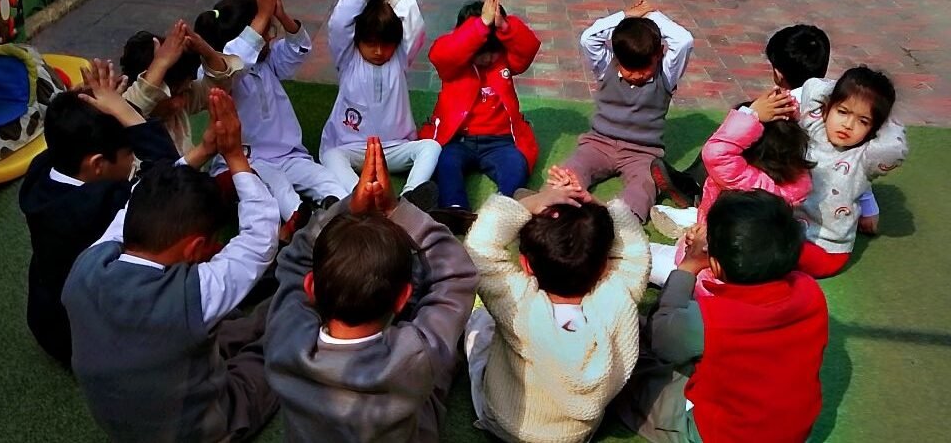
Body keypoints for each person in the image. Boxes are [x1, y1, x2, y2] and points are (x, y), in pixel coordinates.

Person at [62, 89, 280, 442]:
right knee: (278, 348)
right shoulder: (196, 295)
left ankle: (262, 322)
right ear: (196, 247)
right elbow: (259, 239)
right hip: (196, 430)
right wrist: (236, 156)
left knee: (225, 326)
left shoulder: (86, 266)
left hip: (124, 420)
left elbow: (133, 203)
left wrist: (204, 151)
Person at [265, 137, 478, 442]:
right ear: (403, 297)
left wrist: (348, 207)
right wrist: (396, 209)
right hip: (407, 419)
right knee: (446, 355)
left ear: (310, 287)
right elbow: (457, 274)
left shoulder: (284, 340)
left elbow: (293, 260)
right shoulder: (416, 354)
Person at [612, 189, 828, 443]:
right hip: (791, 430)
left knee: (623, 364)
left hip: (721, 433)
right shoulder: (810, 291)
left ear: (715, 265)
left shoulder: (714, 320)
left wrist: (688, 267)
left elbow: (661, 339)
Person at [19, 59, 178, 366]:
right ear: (97, 164)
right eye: (129, 154)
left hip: (48, 321)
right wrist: (124, 112)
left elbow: (66, 133)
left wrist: (81, 108)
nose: (133, 159)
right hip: (87, 343)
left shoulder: (42, 172)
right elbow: (173, 182)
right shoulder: (103, 203)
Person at [650, 25, 880, 236]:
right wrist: (869, 207)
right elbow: (854, 156)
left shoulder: (784, 108)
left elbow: (723, 152)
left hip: (775, 194)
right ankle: (693, 189)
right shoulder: (839, 105)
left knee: (739, 126)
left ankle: (695, 194)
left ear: (778, 73)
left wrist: (752, 114)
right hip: (813, 195)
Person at [463, 185, 651, 442]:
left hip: (505, 423)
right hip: (573, 435)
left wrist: (532, 202)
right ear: (605, 266)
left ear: (526, 265)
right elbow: (635, 253)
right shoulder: (618, 299)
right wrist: (600, 207)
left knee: (481, 320)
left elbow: (480, 247)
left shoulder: (518, 303)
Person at [194, 0, 348, 239]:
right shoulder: (214, 74)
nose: (270, 38)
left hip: (288, 155)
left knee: (325, 180)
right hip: (248, 160)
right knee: (278, 187)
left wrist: (281, 16)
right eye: (266, 31)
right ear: (247, 36)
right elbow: (234, 63)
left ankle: (341, 211)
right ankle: (301, 222)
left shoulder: (268, 62)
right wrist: (261, 18)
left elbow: (299, 48)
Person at [644, 87, 814, 293]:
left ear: (747, 149)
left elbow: (716, 152)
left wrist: (751, 114)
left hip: (709, 274)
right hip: (741, 268)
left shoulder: (744, 180)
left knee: (635, 257)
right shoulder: (793, 183)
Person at [320, 0, 440, 208]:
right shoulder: (348, 57)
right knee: (330, 155)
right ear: (357, 40)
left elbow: (415, 26)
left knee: (431, 148)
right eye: (370, 44)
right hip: (352, 147)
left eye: (385, 45)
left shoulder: (400, 57)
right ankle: (358, 194)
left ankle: (408, 200)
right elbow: (340, 22)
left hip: (395, 147)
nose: (378, 51)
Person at [418, 0, 541, 233]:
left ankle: (503, 209)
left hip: (501, 142)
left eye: (493, 51)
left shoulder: (506, 61)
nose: (487, 59)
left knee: (517, 166)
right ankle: (455, 209)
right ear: (466, 43)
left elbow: (528, 50)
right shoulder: (453, 64)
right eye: (480, 52)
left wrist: (504, 27)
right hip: (457, 140)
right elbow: (442, 53)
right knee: (444, 163)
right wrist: (480, 26)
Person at [560, 0, 694, 223]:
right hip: (598, 143)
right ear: (616, 57)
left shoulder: (667, 75)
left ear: (660, 53)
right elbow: (588, 38)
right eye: (629, 68)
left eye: (644, 68)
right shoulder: (605, 66)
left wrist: (652, 15)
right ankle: (558, 204)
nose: (637, 75)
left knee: (645, 187)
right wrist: (626, 16)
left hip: (643, 152)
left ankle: (620, 220)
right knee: (571, 171)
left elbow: (684, 41)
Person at [796, 67, 907, 277]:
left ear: (875, 128)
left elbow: (895, 149)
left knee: (772, 252)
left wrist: (884, 116)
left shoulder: (865, 157)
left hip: (827, 249)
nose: (848, 125)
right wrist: (848, 88)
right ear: (828, 108)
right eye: (843, 111)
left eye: (863, 121)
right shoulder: (814, 128)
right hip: (790, 229)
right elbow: (811, 86)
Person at [120, 19, 245, 154]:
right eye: (170, 94)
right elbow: (135, 103)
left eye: (183, 93)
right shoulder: (123, 121)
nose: (179, 104)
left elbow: (218, 84)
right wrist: (160, 63)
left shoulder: (182, 106)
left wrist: (205, 49)